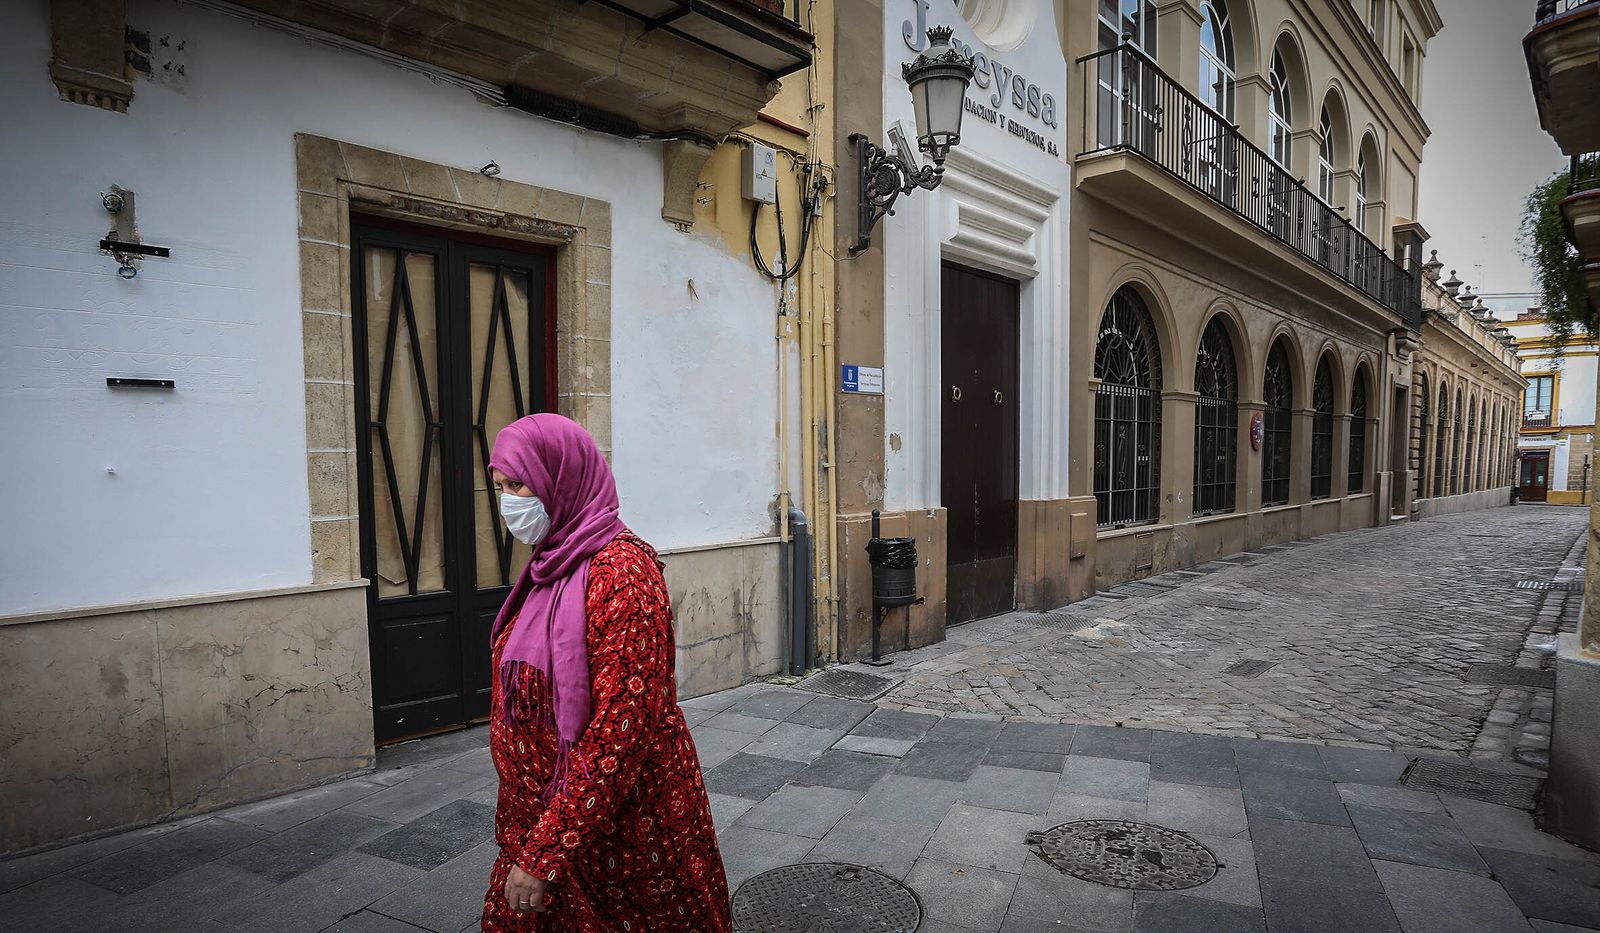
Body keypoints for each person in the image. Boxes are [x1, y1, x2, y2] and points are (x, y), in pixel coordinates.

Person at [480, 413, 730, 932]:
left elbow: (622, 732)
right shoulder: (551, 563)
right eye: (501, 486)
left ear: (561, 477)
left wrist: (544, 853)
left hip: (619, 836)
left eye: (518, 484)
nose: (509, 502)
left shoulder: (623, 574)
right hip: (542, 822)